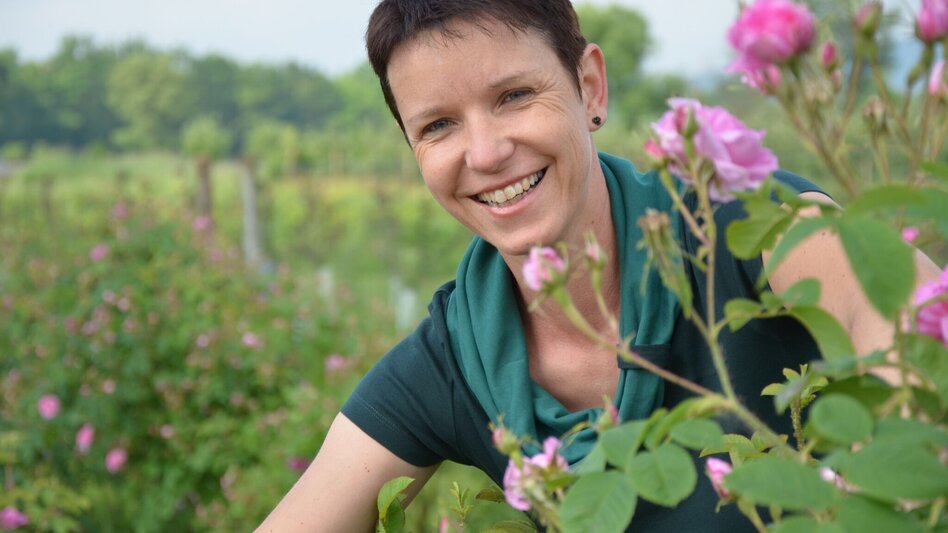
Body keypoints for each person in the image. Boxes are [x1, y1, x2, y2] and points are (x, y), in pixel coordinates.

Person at [256, 1, 941, 531]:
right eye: (438, 125)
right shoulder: (453, 357)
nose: (487, 152)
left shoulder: (753, 226)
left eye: (514, 96)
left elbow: (930, 376)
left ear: (589, 87)